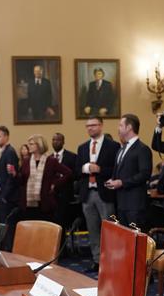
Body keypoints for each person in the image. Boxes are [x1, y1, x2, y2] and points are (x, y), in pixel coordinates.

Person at [76, 117, 120, 271]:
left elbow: (116, 169)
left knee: (109, 230)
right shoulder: (82, 147)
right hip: (88, 193)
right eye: (88, 126)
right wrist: (83, 169)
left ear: (101, 126)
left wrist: (100, 169)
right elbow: (76, 170)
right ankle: (96, 260)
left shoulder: (113, 146)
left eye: (93, 125)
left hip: (105, 193)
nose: (90, 128)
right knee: (92, 229)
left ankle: (110, 260)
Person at [106, 114, 153, 231]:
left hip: (135, 204)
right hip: (121, 203)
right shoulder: (122, 149)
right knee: (125, 240)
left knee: (136, 240)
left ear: (129, 127)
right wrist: (112, 180)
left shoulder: (142, 149)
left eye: (121, 125)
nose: (118, 128)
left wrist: (122, 182)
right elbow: (119, 171)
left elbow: (145, 174)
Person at [12, 134, 73, 222]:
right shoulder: (26, 161)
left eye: (31, 144)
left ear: (39, 145)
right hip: (28, 204)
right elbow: (22, 181)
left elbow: (68, 173)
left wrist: (54, 184)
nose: (29, 146)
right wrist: (15, 174)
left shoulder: (51, 161)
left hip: (45, 203)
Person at [51, 132, 79, 235]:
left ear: (63, 142)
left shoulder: (72, 157)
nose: (55, 142)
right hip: (53, 197)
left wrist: (64, 178)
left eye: (58, 140)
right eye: (53, 140)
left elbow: (76, 174)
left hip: (66, 196)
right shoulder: (49, 158)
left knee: (64, 224)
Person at [0, 126, 20, 224]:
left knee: (7, 224)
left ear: (6, 137)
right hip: (3, 194)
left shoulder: (10, 152)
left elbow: (11, 176)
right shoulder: (4, 151)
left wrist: (4, 196)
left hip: (7, 196)